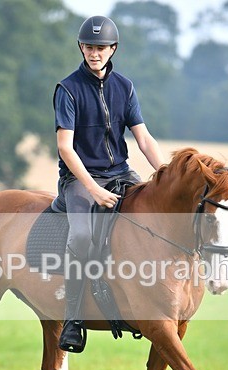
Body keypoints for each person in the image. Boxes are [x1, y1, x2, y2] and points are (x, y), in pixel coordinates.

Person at [53, 15, 165, 352]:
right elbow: (65, 148)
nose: (95, 53)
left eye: (101, 47)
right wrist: (93, 189)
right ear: (81, 47)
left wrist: (165, 174)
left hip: (121, 173)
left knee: (156, 216)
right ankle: (73, 320)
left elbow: (143, 138)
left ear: (113, 48)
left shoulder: (125, 87)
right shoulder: (67, 89)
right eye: (89, 46)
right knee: (82, 235)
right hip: (79, 179)